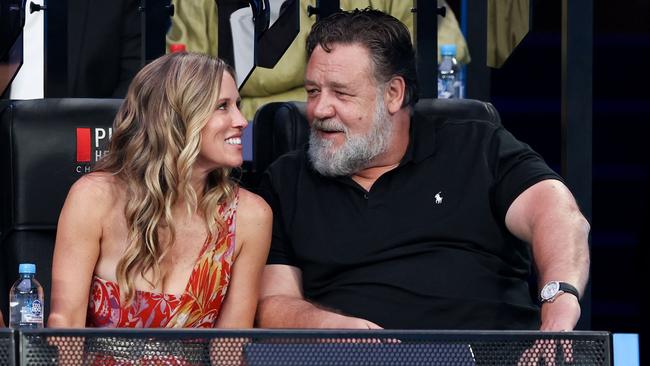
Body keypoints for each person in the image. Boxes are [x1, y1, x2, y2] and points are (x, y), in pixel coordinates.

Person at [256, 9, 590, 331]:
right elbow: (273, 302)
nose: (318, 109)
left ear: (393, 93)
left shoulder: (476, 146)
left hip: (491, 355)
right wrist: (327, 326)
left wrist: (558, 308)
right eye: (313, 91)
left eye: (340, 93)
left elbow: (557, 214)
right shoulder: (287, 179)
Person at [48, 52, 272, 328]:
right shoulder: (94, 198)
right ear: (176, 119)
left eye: (237, 105)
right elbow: (65, 322)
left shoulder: (251, 216)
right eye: (223, 106)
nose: (242, 120)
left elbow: (230, 345)